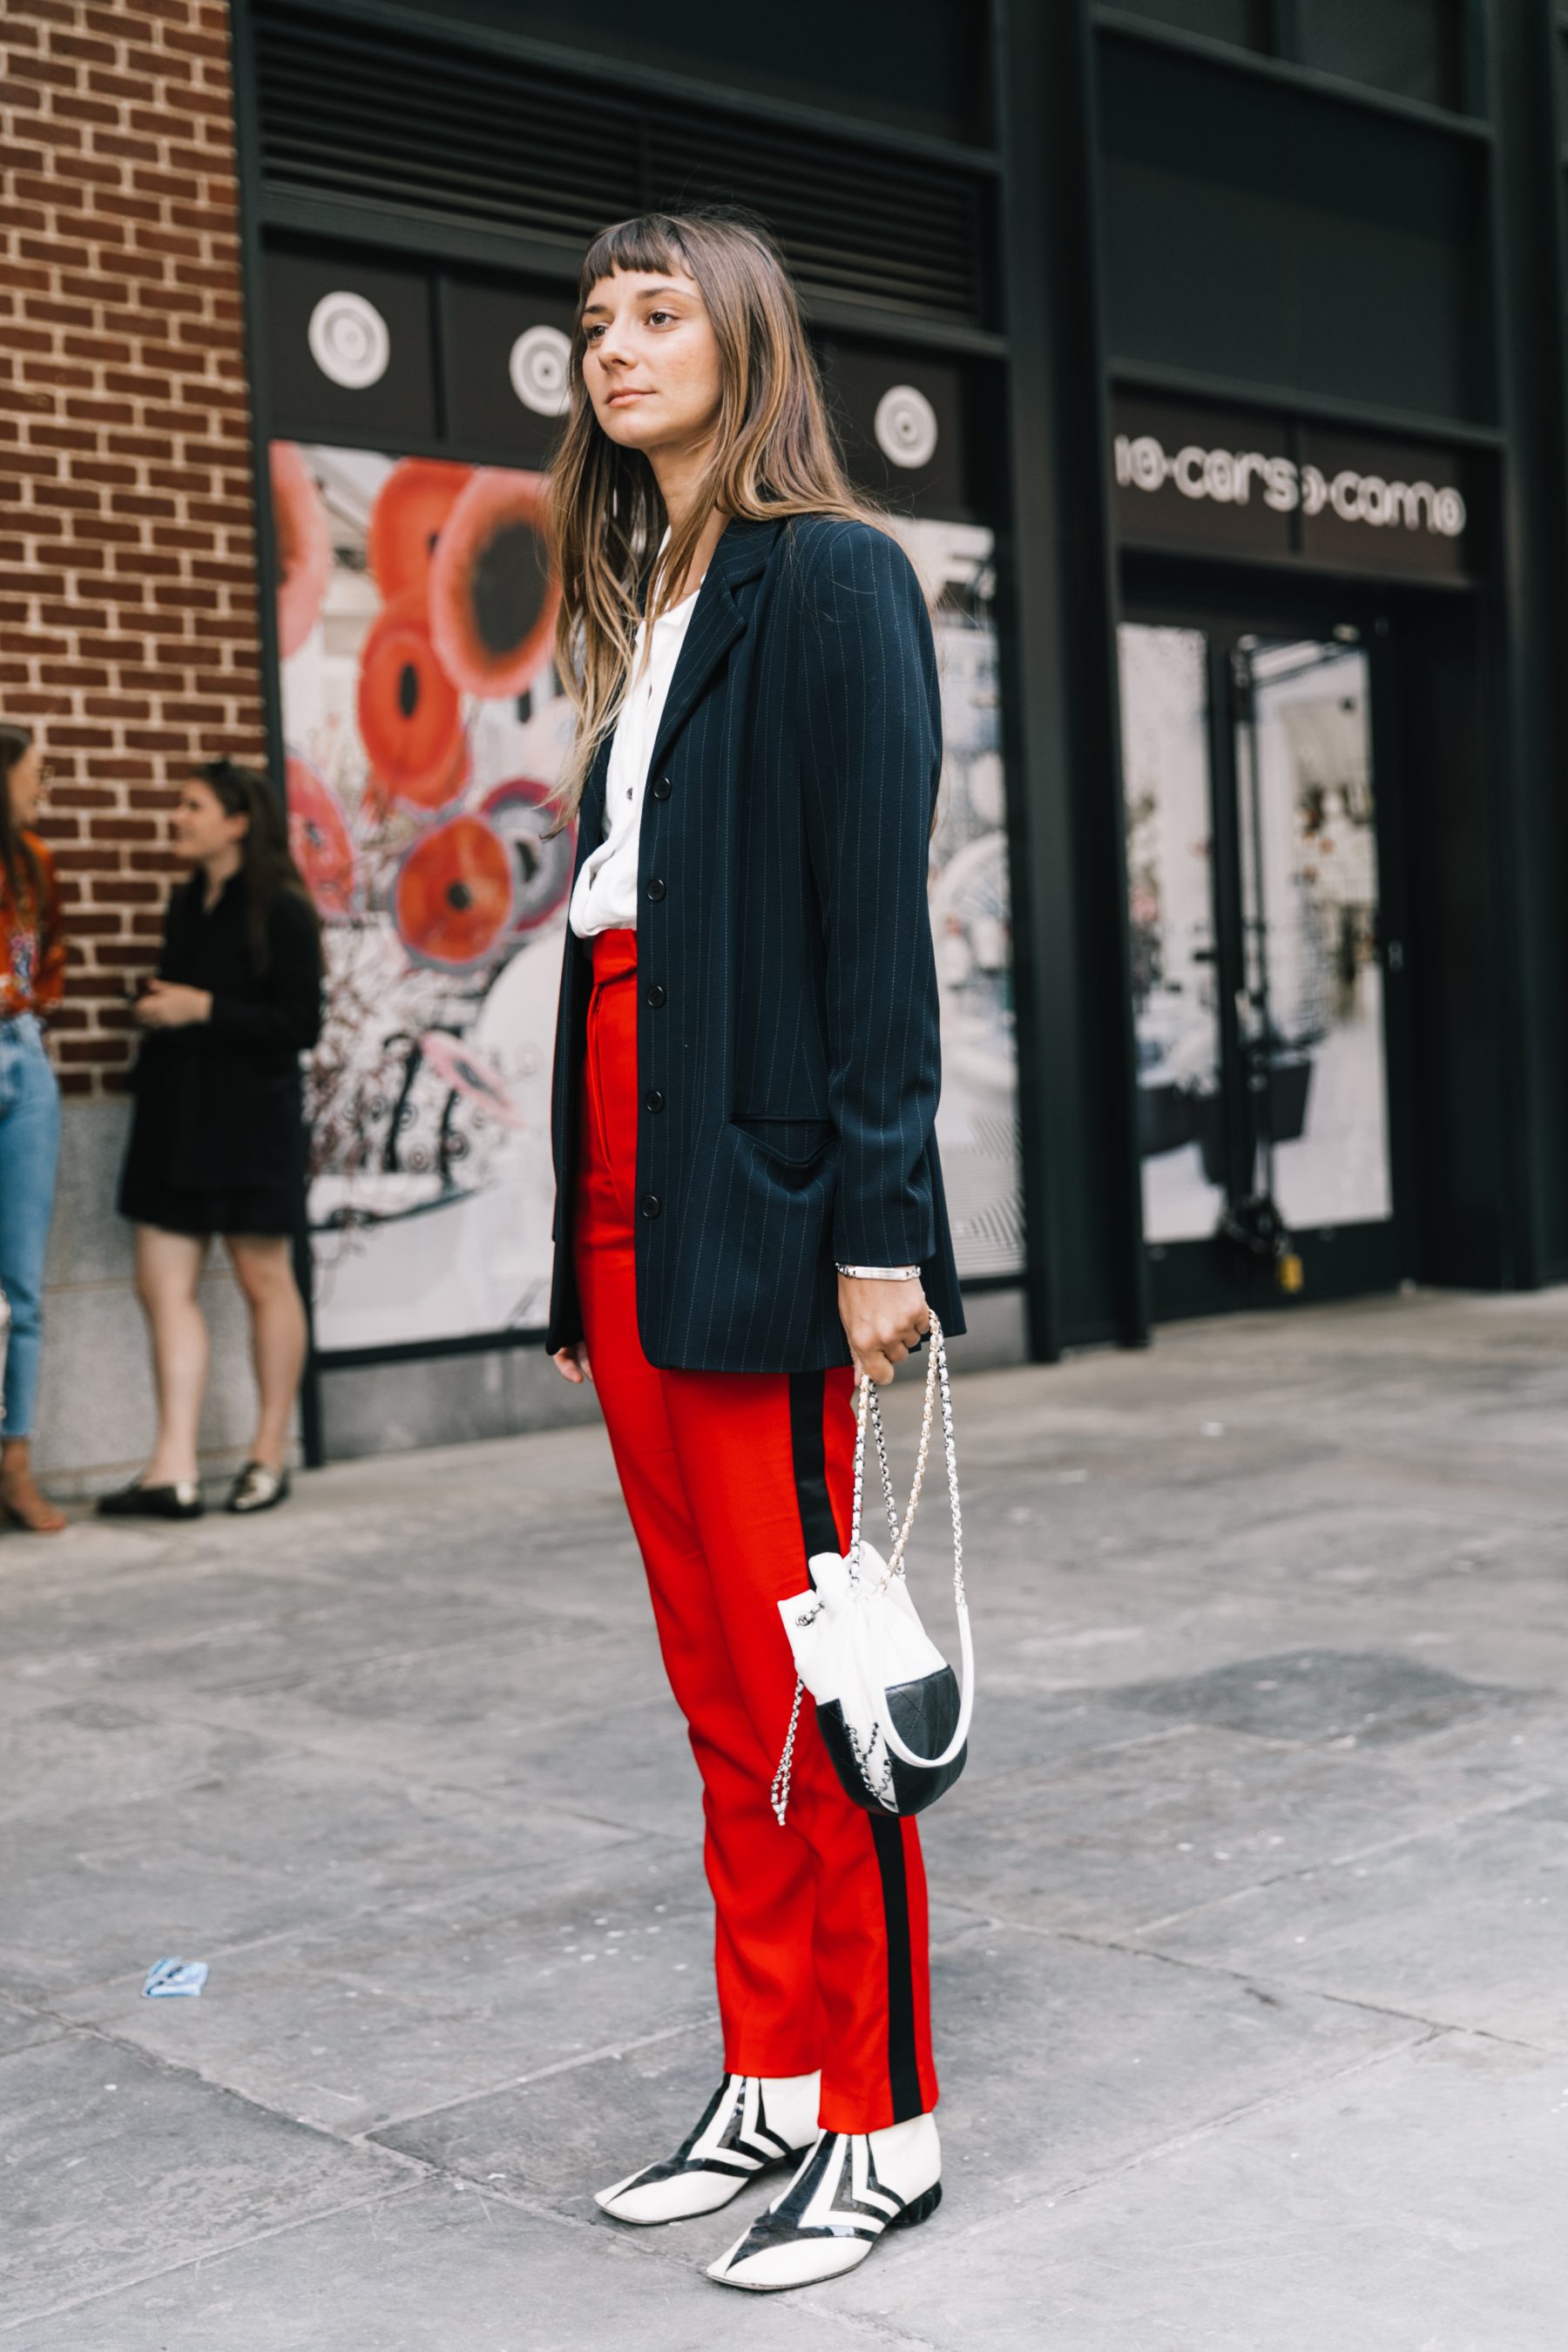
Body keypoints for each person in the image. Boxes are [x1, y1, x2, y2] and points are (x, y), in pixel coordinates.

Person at [544, 210, 965, 2294]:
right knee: (718, 1678)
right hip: (632, 1194)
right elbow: (617, 937)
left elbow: (870, 929)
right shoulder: (653, 595)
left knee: (815, 1677)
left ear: (744, 340)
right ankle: (774, 2068)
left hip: (773, 1203)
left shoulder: (833, 575)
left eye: (652, 316)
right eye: (590, 325)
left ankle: (885, 2117)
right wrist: (571, 1251)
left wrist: (880, 1227)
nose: (610, 350)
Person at [100, 759, 322, 1519]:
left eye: (192, 806)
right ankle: (175, 1468)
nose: (179, 818)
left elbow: (301, 1025)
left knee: (265, 1281)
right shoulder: (189, 901)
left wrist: (203, 1009)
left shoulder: (283, 909)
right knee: (159, 1284)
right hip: (177, 1117)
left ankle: (267, 1456)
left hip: (250, 1123)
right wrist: (167, 1008)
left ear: (237, 822)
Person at [0, 723, 68, 1534]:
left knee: (23, 1285)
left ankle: (15, 1464)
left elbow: (47, 963)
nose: (41, 784)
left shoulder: (35, 863)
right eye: (34, 772)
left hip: (25, 1060)